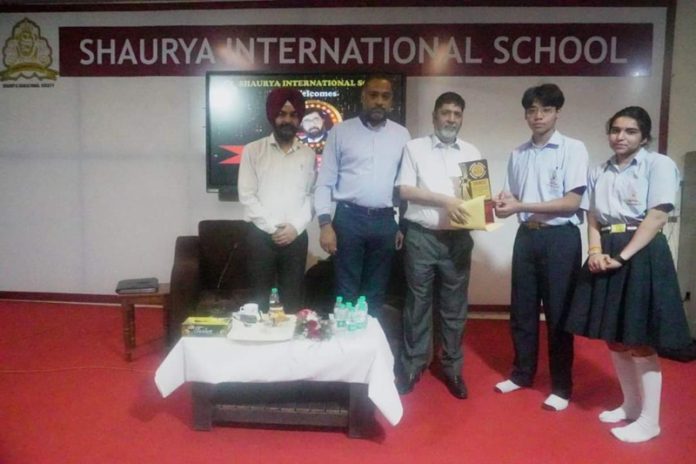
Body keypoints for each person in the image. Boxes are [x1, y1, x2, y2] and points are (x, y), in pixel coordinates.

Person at [566, 106, 691, 443]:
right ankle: (631, 406)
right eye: (616, 130)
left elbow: (656, 217)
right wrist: (594, 251)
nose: (620, 137)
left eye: (630, 131)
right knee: (615, 336)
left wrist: (621, 256)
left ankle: (650, 421)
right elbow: (592, 216)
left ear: (644, 136)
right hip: (606, 246)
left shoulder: (658, 164)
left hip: (640, 250)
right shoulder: (599, 169)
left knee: (639, 338)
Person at [494, 83, 589, 412]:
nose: (538, 116)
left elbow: (571, 203)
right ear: (525, 114)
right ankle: (522, 374)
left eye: (545, 110)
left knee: (559, 313)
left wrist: (520, 206)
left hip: (560, 238)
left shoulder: (573, 149)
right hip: (527, 237)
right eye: (532, 110)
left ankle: (562, 386)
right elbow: (512, 196)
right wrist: (500, 202)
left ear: (557, 113)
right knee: (521, 310)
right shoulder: (517, 153)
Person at [395, 92, 481, 399]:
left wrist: (485, 211)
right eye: (446, 113)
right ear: (434, 117)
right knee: (417, 304)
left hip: (458, 240)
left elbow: (476, 200)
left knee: (454, 308)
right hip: (422, 237)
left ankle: (452, 367)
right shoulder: (414, 148)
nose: (451, 119)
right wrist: (446, 199)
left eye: (457, 114)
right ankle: (413, 364)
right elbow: (405, 189)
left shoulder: (471, 151)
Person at [314, 74, 411, 310]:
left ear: (391, 102)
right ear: (363, 97)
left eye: (385, 97)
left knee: (376, 293)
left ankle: (369, 346)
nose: (379, 101)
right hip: (349, 220)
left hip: (385, 222)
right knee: (345, 290)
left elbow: (405, 184)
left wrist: (401, 225)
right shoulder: (340, 132)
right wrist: (325, 225)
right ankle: (346, 346)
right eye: (373, 95)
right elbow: (324, 182)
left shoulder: (402, 135)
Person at [237, 87, 316, 313]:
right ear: (273, 115)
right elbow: (247, 195)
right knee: (257, 302)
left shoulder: (308, 154)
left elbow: (311, 196)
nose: (287, 120)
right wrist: (274, 228)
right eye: (282, 114)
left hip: (296, 237)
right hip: (260, 236)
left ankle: (289, 347)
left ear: (299, 118)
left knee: (292, 303)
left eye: (293, 115)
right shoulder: (253, 150)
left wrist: (295, 228)